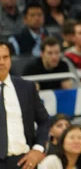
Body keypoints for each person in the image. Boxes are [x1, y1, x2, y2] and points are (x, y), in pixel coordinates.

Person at [0, 40, 50, 169]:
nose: (1, 62)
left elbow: (44, 121)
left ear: (11, 59)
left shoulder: (26, 87)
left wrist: (38, 149)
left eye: (5, 57)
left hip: (22, 161)